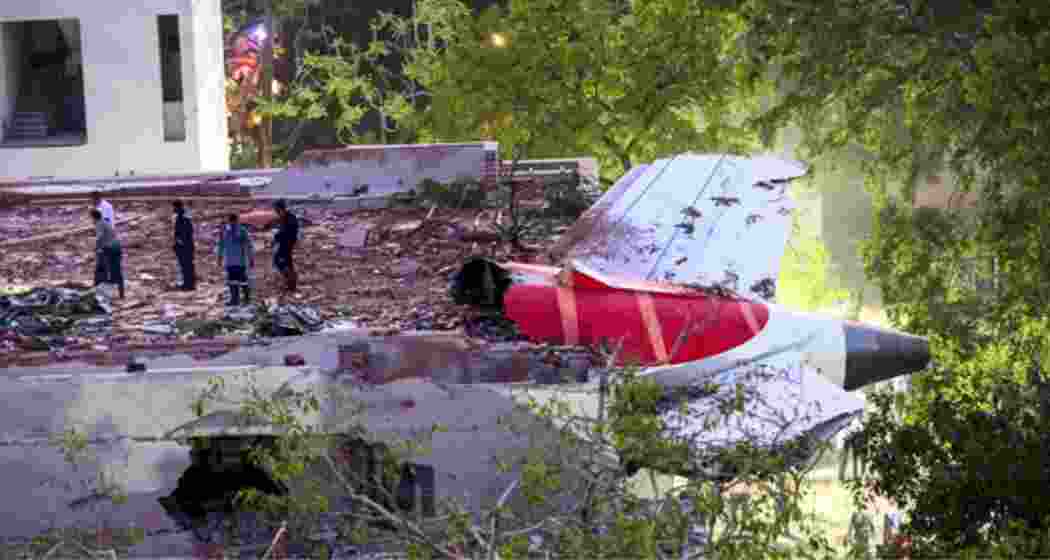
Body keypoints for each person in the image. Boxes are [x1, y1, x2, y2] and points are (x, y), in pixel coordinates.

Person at [217, 212, 254, 306]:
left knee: (242, 281)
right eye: (231, 221)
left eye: (233, 221)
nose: (232, 223)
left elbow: (248, 245)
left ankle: (245, 299)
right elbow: (221, 245)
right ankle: (236, 300)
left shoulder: (241, 231)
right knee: (233, 281)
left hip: (239, 261)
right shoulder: (226, 231)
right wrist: (220, 257)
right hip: (232, 261)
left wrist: (251, 258)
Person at [91, 209, 125, 299]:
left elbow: (100, 237)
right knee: (117, 269)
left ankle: (98, 293)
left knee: (101, 270)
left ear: (93, 218)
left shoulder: (99, 223)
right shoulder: (106, 222)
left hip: (109, 248)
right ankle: (121, 293)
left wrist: (96, 248)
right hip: (117, 246)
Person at [272, 199, 299, 294]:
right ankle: (290, 283)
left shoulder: (290, 218)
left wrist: (277, 236)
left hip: (287, 243)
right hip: (285, 243)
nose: (276, 212)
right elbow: (283, 231)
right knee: (286, 262)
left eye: (276, 209)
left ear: (280, 208)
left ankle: (290, 280)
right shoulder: (285, 217)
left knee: (278, 260)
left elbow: (288, 232)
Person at [172, 200, 195, 291]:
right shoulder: (181, 216)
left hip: (185, 246)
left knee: (187, 265)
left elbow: (187, 232)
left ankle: (189, 284)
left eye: (174, 207)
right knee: (185, 265)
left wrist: (180, 242)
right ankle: (187, 283)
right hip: (184, 245)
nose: (173, 209)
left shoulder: (184, 217)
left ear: (178, 207)